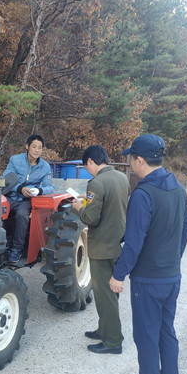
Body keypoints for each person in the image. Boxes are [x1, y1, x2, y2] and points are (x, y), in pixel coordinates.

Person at [109, 134, 187, 374]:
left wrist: (118, 275)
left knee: (146, 335)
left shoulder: (143, 195)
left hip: (147, 279)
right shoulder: (178, 189)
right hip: (171, 276)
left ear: (139, 160)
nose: (130, 162)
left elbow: (133, 243)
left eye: (131, 158)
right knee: (166, 330)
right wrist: (173, 258)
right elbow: (186, 228)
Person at [70, 145, 130, 354]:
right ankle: (104, 329)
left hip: (102, 247)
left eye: (87, 166)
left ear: (90, 162)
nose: (88, 170)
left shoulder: (97, 183)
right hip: (117, 243)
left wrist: (79, 208)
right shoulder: (122, 178)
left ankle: (113, 341)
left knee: (104, 295)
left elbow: (91, 218)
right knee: (111, 294)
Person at [3, 134, 55, 263]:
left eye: (40, 147)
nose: (37, 150)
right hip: (11, 195)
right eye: (34, 146)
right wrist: (20, 189)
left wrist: (38, 190)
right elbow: (7, 178)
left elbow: (50, 187)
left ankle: (17, 249)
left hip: (27, 200)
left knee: (21, 214)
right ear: (27, 146)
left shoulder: (45, 167)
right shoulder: (15, 160)